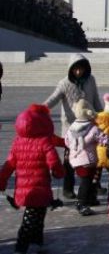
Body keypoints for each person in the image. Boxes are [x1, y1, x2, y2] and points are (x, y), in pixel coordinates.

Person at [0, 104, 65, 254]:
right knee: (31, 217)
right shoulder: (44, 142)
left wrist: (2, 179)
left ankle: (36, 241)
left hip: (24, 188)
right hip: (39, 187)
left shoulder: (18, 142)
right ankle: (21, 246)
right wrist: (58, 172)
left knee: (38, 214)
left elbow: (9, 164)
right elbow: (53, 161)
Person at [43, 53, 103, 199]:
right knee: (69, 159)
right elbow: (53, 99)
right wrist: (40, 109)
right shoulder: (64, 83)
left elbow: (95, 100)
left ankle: (94, 185)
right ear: (70, 69)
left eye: (81, 69)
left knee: (93, 157)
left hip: (89, 125)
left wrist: (102, 117)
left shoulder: (91, 80)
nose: (78, 72)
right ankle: (67, 188)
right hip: (71, 128)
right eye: (75, 69)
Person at [64, 99, 103, 216]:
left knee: (88, 179)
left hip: (75, 159)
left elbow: (66, 142)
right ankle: (81, 202)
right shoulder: (93, 128)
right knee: (86, 181)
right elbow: (102, 138)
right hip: (88, 158)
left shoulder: (71, 128)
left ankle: (90, 198)